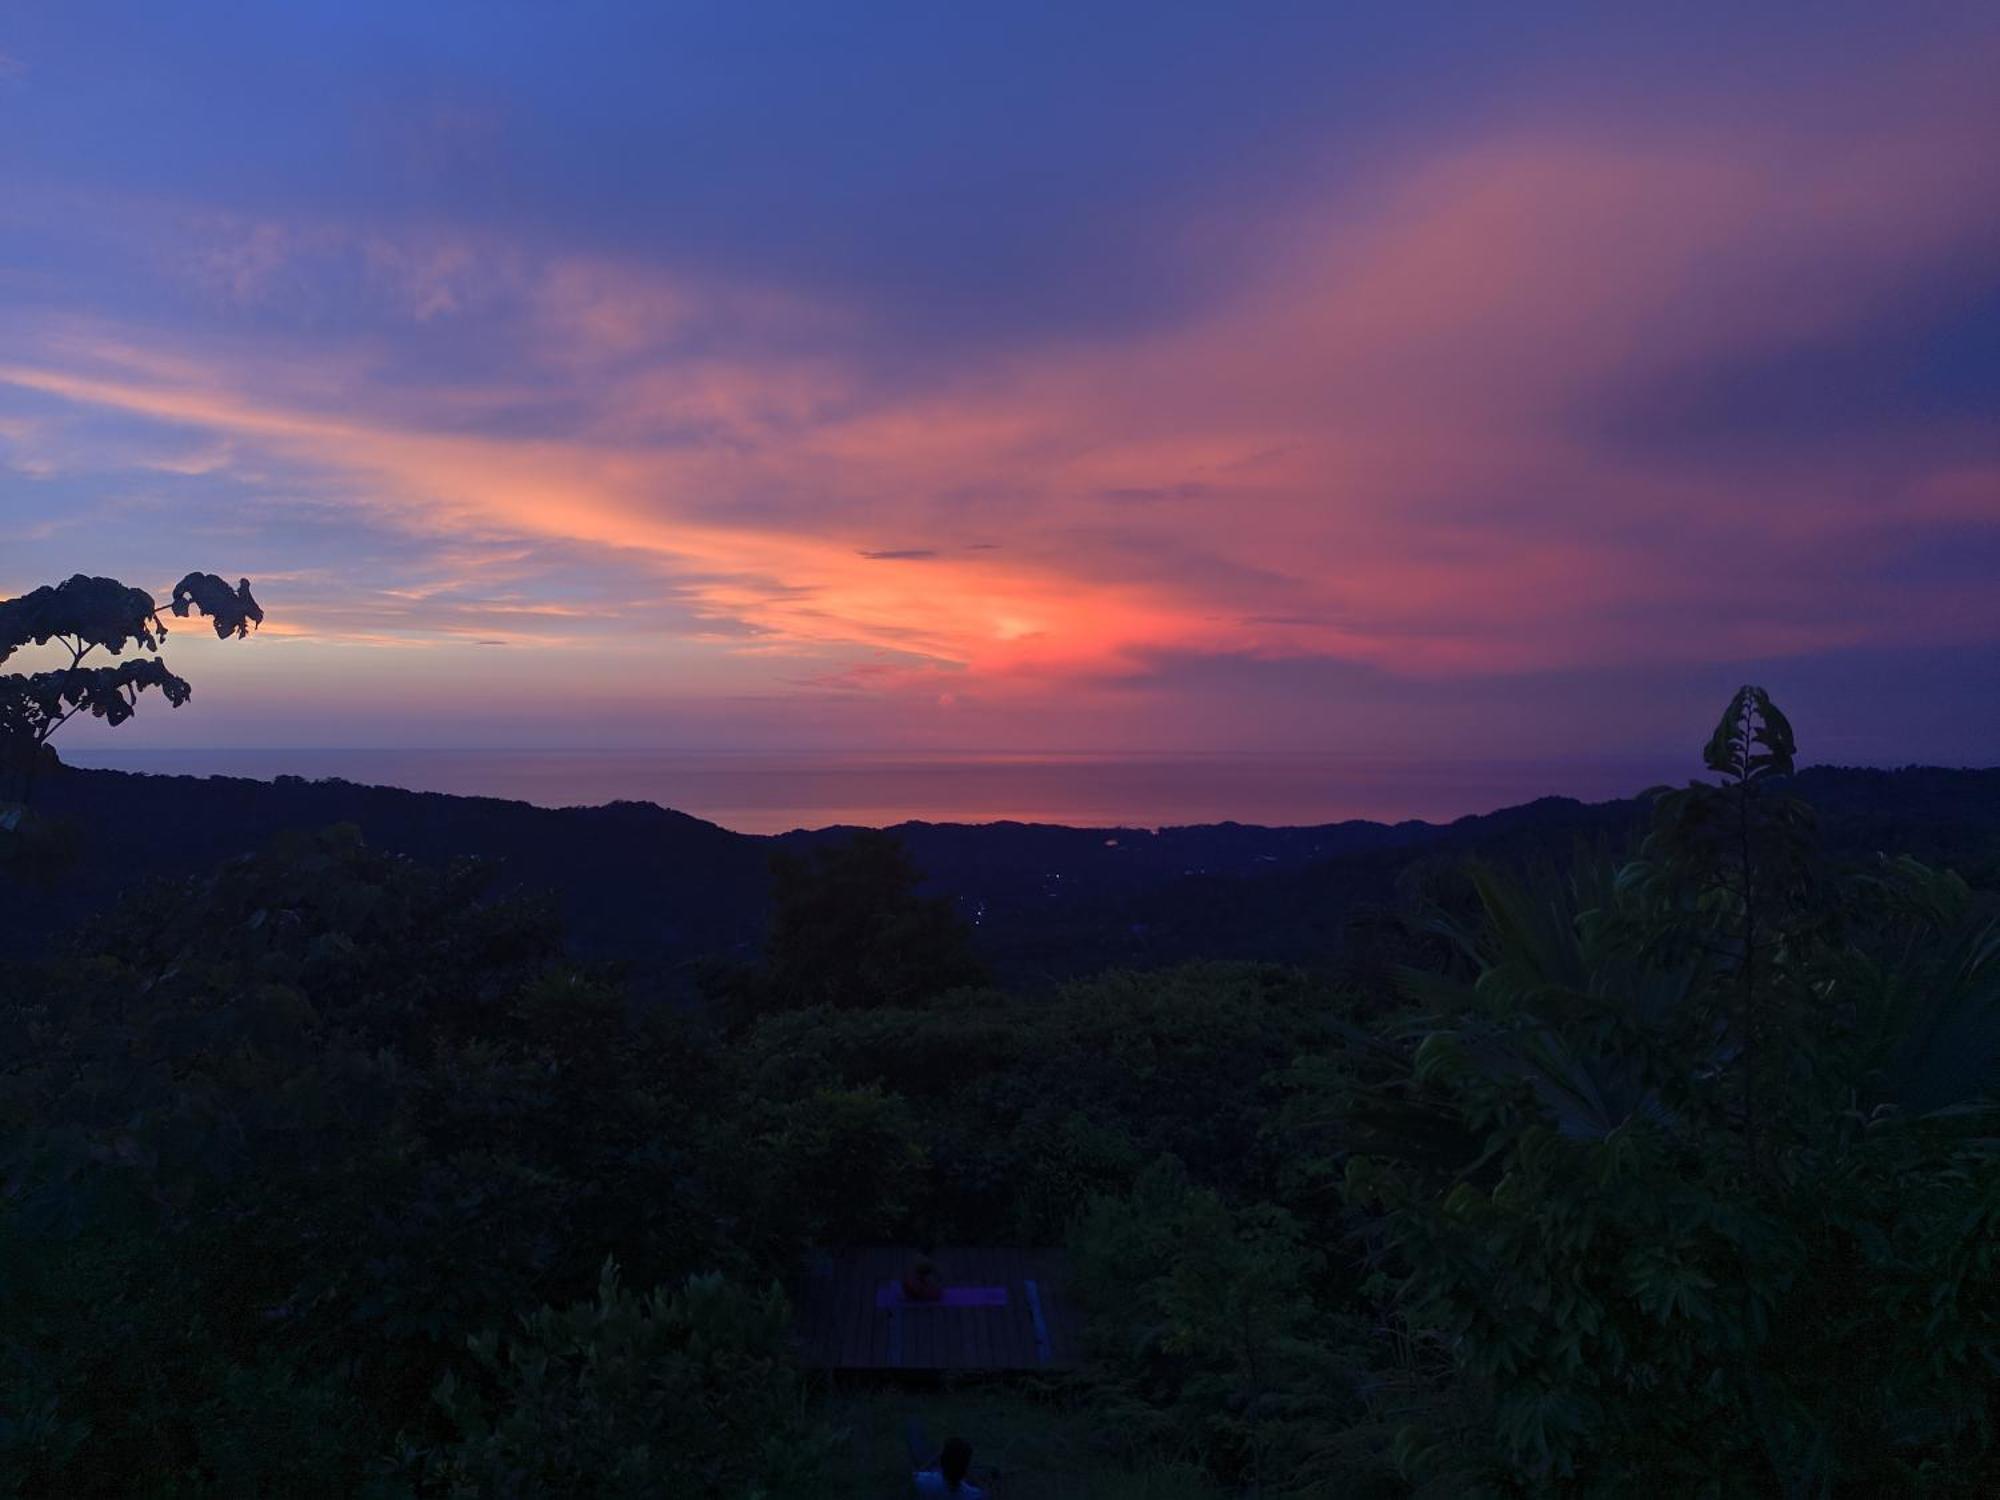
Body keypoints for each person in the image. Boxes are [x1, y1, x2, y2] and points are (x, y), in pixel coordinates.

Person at [912, 1435, 989, 1497]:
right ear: (965, 1468)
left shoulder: (924, 1482)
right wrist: (970, 1472)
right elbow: (986, 1494)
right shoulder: (973, 1495)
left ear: (942, 1461)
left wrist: (933, 1460)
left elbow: (915, 1476)